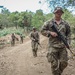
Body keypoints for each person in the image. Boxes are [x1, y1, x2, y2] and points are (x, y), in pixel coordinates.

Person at [41, 7, 71, 75]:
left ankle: (58, 72)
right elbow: (42, 31)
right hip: (53, 46)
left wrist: (68, 43)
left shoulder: (65, 23)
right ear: (54, 12)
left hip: (62, 46)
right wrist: (50, 33)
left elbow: (69, 33)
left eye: (60, 12)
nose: (59, 13)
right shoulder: (48, 22)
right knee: (54, 64)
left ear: (62, 13)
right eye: (57, 12)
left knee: (64, 63)